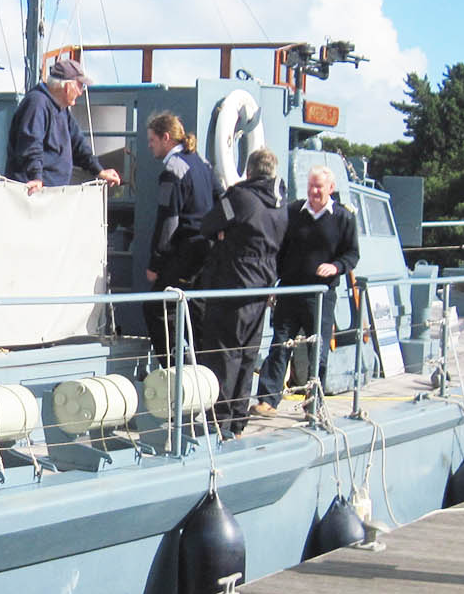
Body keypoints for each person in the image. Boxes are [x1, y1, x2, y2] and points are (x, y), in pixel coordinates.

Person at [253, 164, 360, 413]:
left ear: (331, 188)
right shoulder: (293, 212)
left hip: (320, 295)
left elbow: (352, 254)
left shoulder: (343, 218)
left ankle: (314, 404)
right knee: (280, 344)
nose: (313, 191)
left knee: (317, 350)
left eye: (319, 187)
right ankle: (268, 400)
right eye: (311, 186)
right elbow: (278, 250)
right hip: (290, 291)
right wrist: (272, 284)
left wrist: (335, 267)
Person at [196, 146, 285, 437]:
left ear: (249, 171)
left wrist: (223, 234)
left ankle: (218, 423)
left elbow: (208, 225)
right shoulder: (281, 202)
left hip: (232, 285)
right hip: (262, 288)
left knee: (223, 355)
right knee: (247, 356)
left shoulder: (240, 197)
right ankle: (236, 422)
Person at [141, 112, 215, 366]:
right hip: (206, 251)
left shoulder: (173, 170)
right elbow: (220, 196)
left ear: (166, 138)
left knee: (157, 308)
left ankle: (175, 370)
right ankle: (204, 371)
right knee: (196, 312)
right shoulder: (202, 163)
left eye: (152, 140)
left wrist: (156, 262)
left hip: (185, 252)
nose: (149, 145)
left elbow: (168, 220)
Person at [6, 57, 122, 194]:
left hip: (52, 193)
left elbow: (78, 145)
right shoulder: (36, 103)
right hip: (35, 193)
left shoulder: (61, 108)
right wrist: (35, 177)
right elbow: (30, 144)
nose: (81, 92)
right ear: (67, 87)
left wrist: (99, 171)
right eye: (80, 86)